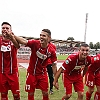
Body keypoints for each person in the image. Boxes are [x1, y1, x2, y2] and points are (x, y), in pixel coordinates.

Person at [6, 29, 58, 100]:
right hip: (31, 74)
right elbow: (24, 41)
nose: (41, 37)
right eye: (40, 35)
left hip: (42, 74)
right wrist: (13, 35)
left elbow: (54, 65)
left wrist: (56, 80)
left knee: (45, 93)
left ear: (49, 38)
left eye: (44, 36)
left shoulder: (52, 50)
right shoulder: (35, 43)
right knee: (30, 93)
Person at [0, 22, 20, 100]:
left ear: (11, 30)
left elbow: (17, 46)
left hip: (13, 73)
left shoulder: (14, 40)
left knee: (16, 95)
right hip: (2, 73)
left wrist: (11, 37)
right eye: (3, 28)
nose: (5, 30)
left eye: (7, 28)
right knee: (3, 95)